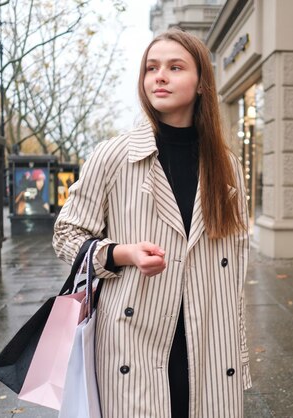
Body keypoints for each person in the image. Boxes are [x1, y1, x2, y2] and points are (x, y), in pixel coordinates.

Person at [53, 28, 251, 418]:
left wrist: (237, 349)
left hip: (210, 337)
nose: (159, 76)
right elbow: (66, 234)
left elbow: (235, 270)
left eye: (175, 67)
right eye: (151, 68)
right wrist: (120, 253)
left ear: (201, 84)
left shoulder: (226, 166)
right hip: (133, 338)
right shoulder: (115, 156)